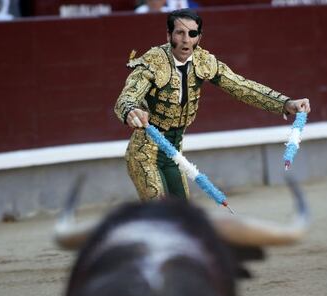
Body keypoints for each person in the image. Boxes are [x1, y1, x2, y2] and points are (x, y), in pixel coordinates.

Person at [114, 9, 311, 201]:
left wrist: (285, 103)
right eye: (180, 33)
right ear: (168, 35)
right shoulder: (153, 61)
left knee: (184, 218)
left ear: (199, 37)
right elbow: (126, 97)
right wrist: (131, 110)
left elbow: (241, 87)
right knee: (162, 218)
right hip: (144, 154)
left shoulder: (204, 61)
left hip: (174, 154)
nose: (186, 40)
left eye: (192, 34)